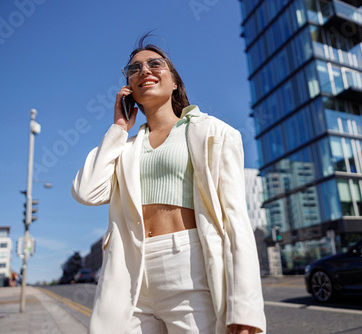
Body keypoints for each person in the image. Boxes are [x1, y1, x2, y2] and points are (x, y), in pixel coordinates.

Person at [71, 34, 266, 334]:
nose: (144, 71)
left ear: (174, 81)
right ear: (130, 88)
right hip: (129, 272)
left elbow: (235, 221)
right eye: (134, 69)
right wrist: (119, 129)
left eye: (154, 64)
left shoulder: (215, 133)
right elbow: (87, 191)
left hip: (187, 266)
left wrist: (245, 308)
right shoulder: (126, 147)